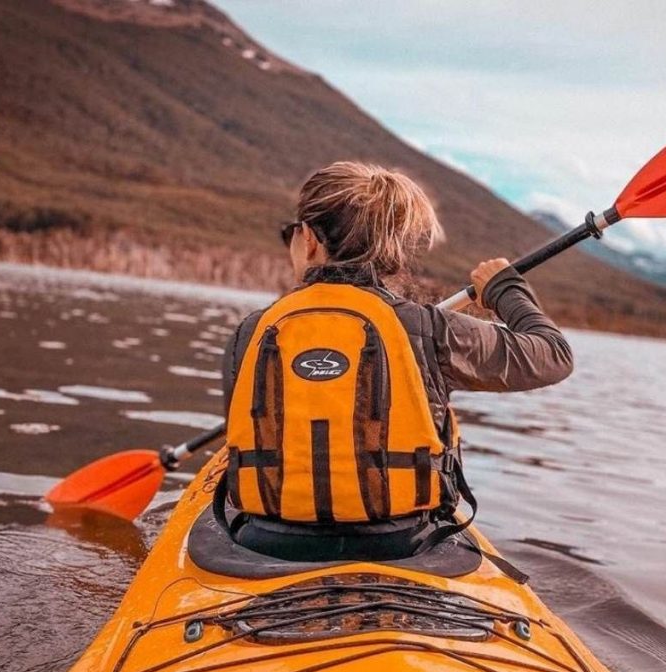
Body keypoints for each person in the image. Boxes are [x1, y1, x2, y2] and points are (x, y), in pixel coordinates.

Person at [218, 161, 573, 562]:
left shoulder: (250, 332)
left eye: (295, 234)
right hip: (401, 545)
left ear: (311, 240)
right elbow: (553, 354)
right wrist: (505, 289)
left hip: (266, 543)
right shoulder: (432, 330)